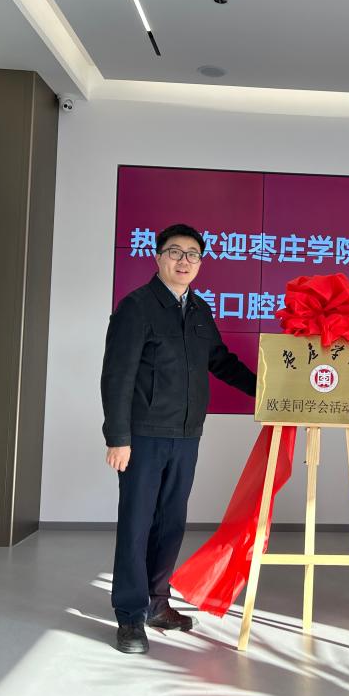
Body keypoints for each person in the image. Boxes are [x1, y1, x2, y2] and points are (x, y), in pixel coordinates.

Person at [101, 223, 257, 654]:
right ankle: (130, 615)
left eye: (192, 254)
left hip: (187, 435)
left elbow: (221, 361)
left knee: (170, 524)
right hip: (143, 436)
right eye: (175, 251)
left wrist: (268, 390)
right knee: (137, 525)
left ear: (200, 263)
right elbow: (117, 375)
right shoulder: (136, 307)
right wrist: (117, 437)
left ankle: (156, 602)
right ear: (158, 257)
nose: (184, 260)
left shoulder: (199, 310)